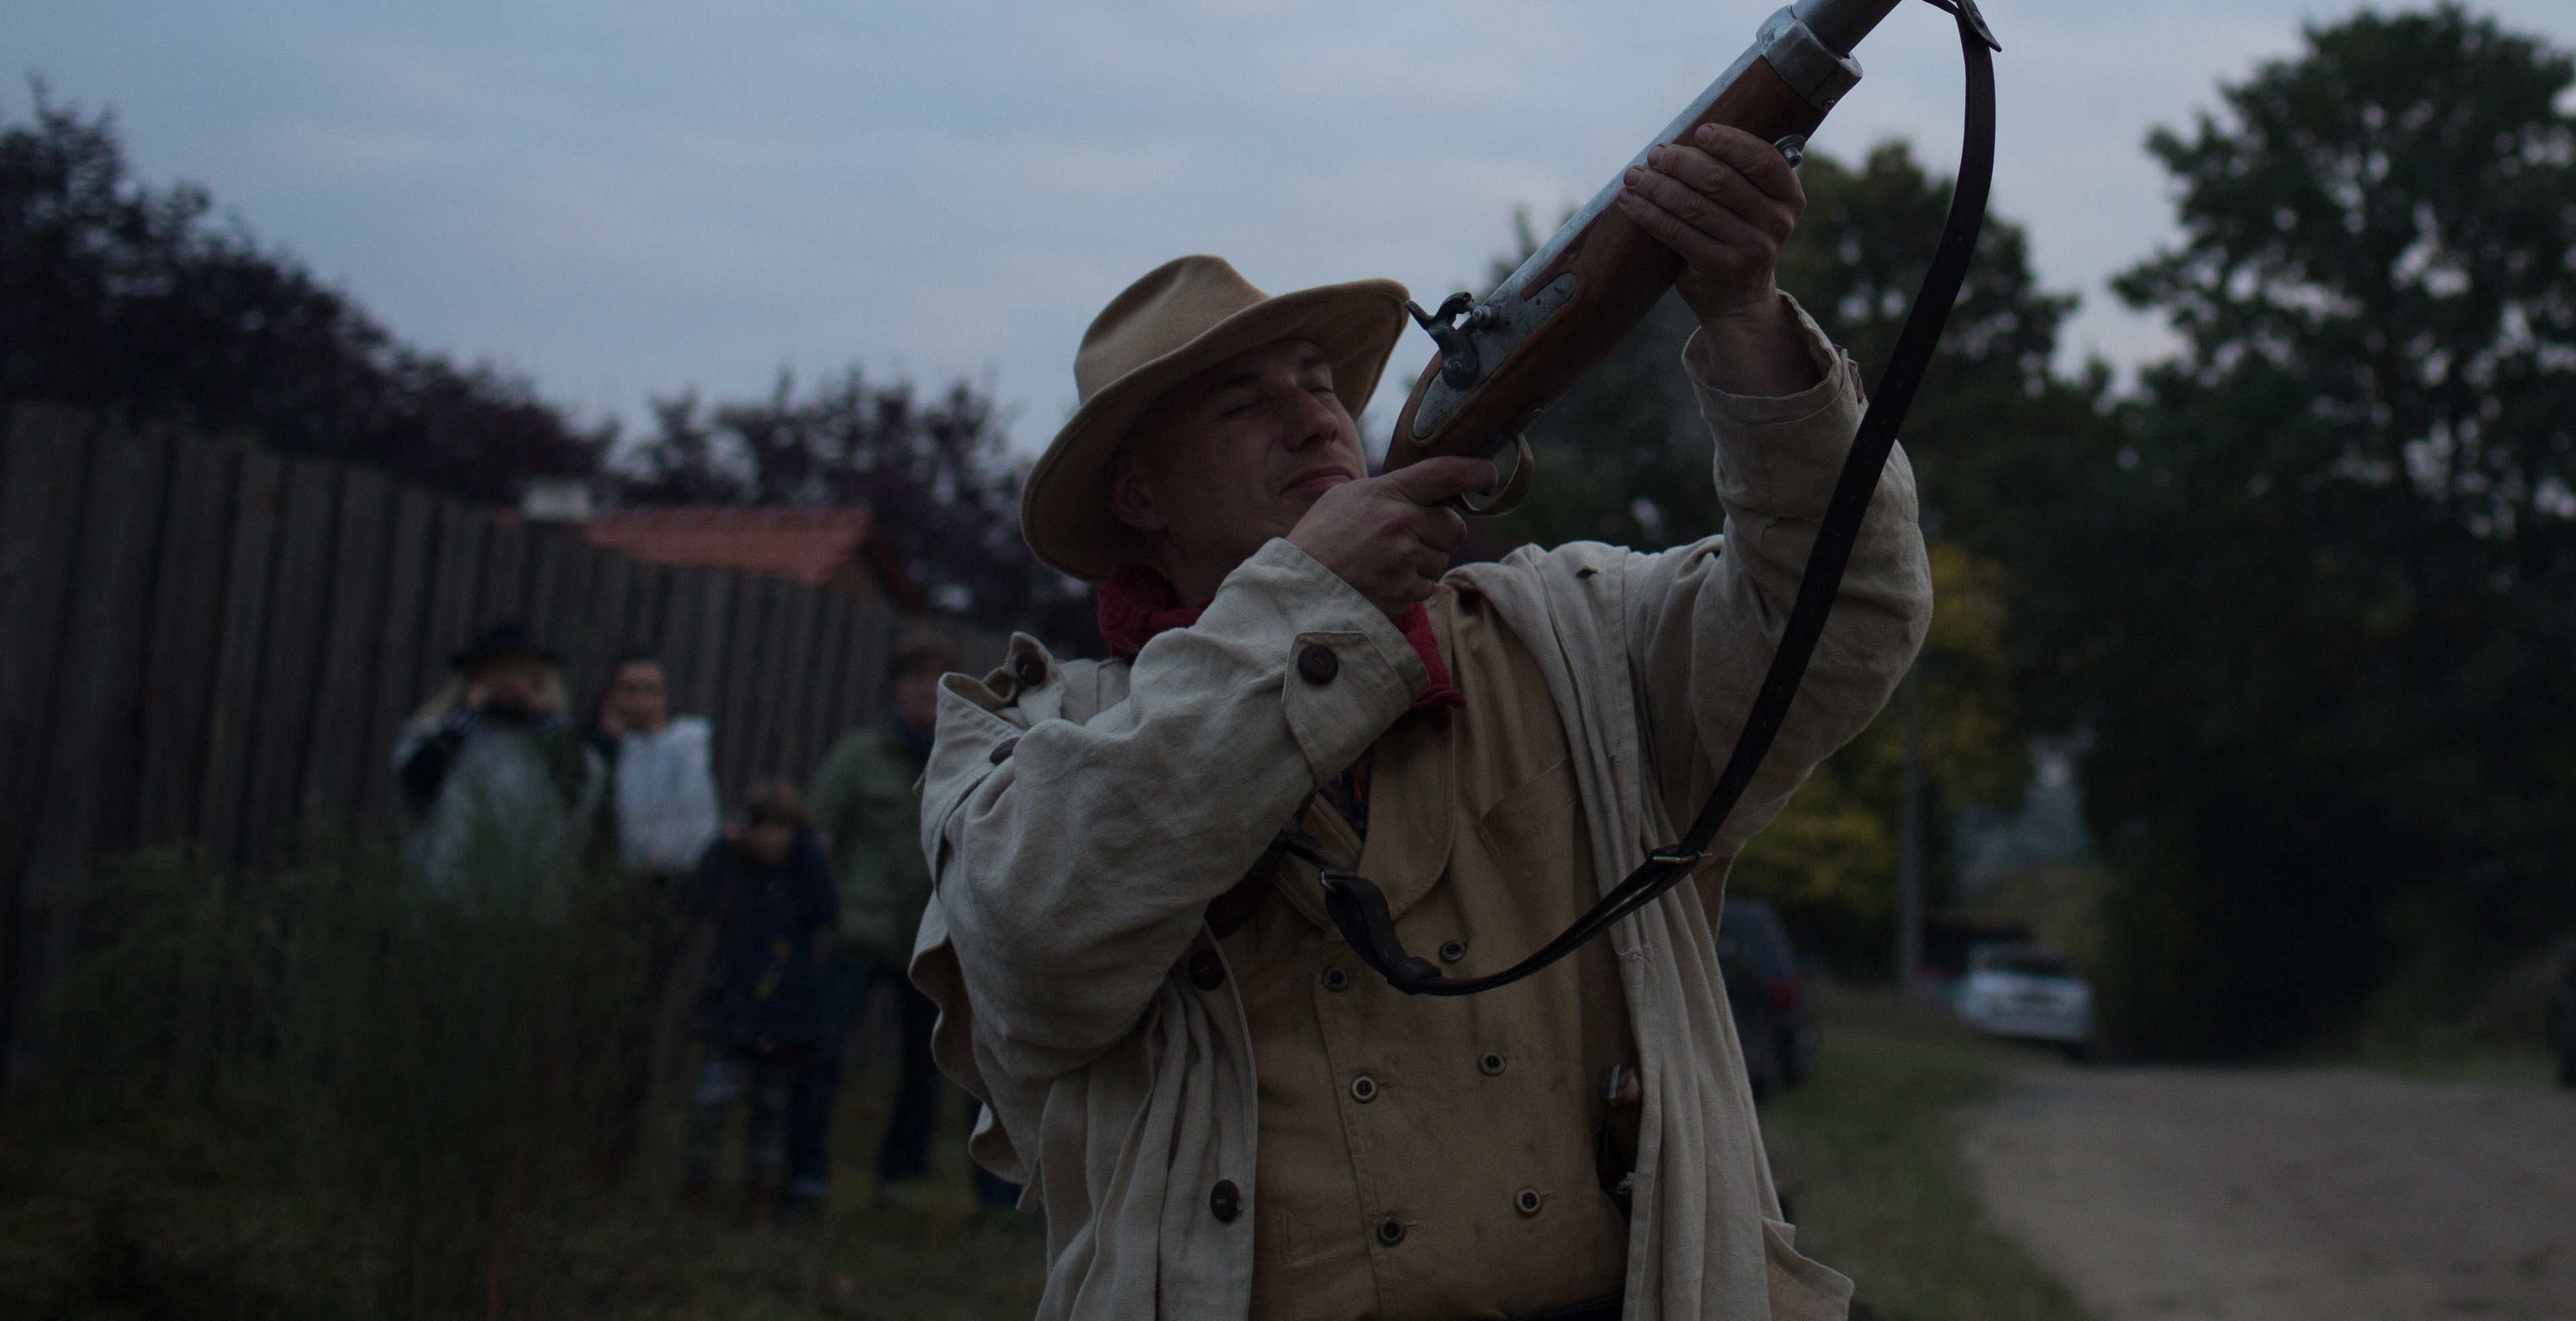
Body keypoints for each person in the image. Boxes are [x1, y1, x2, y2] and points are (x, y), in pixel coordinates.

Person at [914, 124, 1927, 1321]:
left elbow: (1845, 619)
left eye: (1319, 385)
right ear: (1139, 493)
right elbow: (1037, 956)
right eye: (1243, 403)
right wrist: (1309, 604)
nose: (1315, 420)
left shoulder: (1571, 635)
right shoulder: (1030, 738)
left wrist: (1747, 319)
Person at [800, 640, 963, 1209]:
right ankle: (806, 1173)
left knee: (924, 1064)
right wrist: (830, 904)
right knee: (823, 1054)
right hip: (858, 931)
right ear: (898, 688)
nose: (928, 691)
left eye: (939, 680)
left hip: (932, 939)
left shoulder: (966, 757)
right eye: (917, 679)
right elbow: (816, 831)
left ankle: (899, 1178)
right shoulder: (860, 753)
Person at [680, 778, 839, 1219]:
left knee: (772, 1109)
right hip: (730, 1007)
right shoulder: (734, 871)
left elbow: (827, 911)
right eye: (762, 827)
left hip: (787, 1013)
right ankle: (698, 1189)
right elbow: (700, 902)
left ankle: (761, 1198)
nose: (771, 838)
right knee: (710, 1104)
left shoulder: (804, 875)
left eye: (782, 828)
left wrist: (809, 851)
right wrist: (722, 847)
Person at [394, 619, 606, 889]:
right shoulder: (435, 733)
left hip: (528, 888)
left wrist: (540, 715)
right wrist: (466, 717)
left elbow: (576, 783)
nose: (508, 681)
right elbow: (416, 783)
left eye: (519, 670)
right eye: (497, 669)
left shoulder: (556, 737)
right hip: (450, 887)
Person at [594, 650, 724, 875]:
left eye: (651, 690)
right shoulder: (598, 752)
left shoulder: (691, 744)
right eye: (631, 690)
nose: (641, 701)